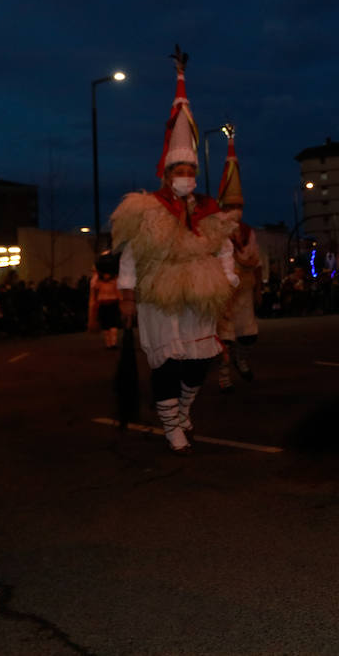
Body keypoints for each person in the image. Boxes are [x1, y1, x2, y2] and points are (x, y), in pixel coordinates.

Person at [110, 49, 238, 453]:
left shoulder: (207, 209)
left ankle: (183, 410)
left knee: (199, 361)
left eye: (190, 172)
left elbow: (224, 247)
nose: (185, 178)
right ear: (166, 173)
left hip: (198, 293)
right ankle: (171, 425)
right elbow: (129, 255)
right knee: (168, 362)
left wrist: (228, 276)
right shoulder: (145, 209)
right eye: (179, 172)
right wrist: (127, 294)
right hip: (159, 296)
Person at [215, 128, 261, 387]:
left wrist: (259, 289)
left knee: (247, 336)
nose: (236, 211)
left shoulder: (248, 232)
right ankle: (224, 375)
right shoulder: (215, 231)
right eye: (231, 207)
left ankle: (241, 360)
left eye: (239, 207)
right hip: (223, 292)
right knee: (225, 336)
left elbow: (257, 263)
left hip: (244, 291)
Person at [87, 252, 123, 351]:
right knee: (106, 325)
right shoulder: (98, 281)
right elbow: (93, 286)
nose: (106, 276)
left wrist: (121, 302)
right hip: (103, 304)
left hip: (112, 303)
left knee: (113, 324)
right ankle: (109, 343)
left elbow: (119, 293)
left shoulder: (114, 281)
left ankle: (113, 343)